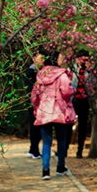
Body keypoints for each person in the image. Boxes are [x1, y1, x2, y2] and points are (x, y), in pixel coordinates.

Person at [31, 51, 76, 180]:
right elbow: (67, 91)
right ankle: (60, 167)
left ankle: (45, 170)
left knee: (46, 141)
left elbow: (34, 95)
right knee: (61, 139)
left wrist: (36, 106)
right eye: (60, 57)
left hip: (44, 112)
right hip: (59, 111)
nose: (62, 60)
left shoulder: (40, 75)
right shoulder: (62, 74)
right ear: (55, 59)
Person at [23, 47, 46, 159]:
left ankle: (34, 149)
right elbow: (30, 90)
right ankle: (34, 149)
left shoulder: (43, 72)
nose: (43, 60)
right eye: (41, 58)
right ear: (34, 59)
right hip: (33, 103)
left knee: (39, 127)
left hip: (41, 104)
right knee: (34, 126)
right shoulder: (30, 72)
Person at [70, 49, 93, 158]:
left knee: (83, 127)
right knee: (69, 125)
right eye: (82, 59)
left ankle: (80, 151)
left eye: (86, 60)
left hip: (84, 101)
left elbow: (92, 84)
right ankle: (64, 149)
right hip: (73, 100)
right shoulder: (71, 70)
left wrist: (88, 71)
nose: (84, 62)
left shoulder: (90, 72)